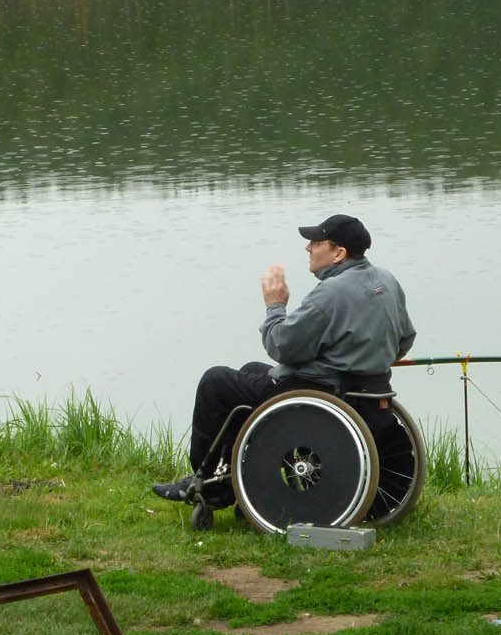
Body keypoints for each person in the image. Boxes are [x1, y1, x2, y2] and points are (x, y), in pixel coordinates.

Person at [152, 213, 416, 502]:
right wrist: (363, 357)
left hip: (321, 394)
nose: (308, 249)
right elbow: (405, 340)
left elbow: (281, 346)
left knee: (215, 382)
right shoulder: (387, 280)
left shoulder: (330, 294)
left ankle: (204, 481)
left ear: (339, 253)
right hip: (369, 392)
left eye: (316, 243)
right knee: (252, 369)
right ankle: (234, 477)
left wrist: (275, 306)